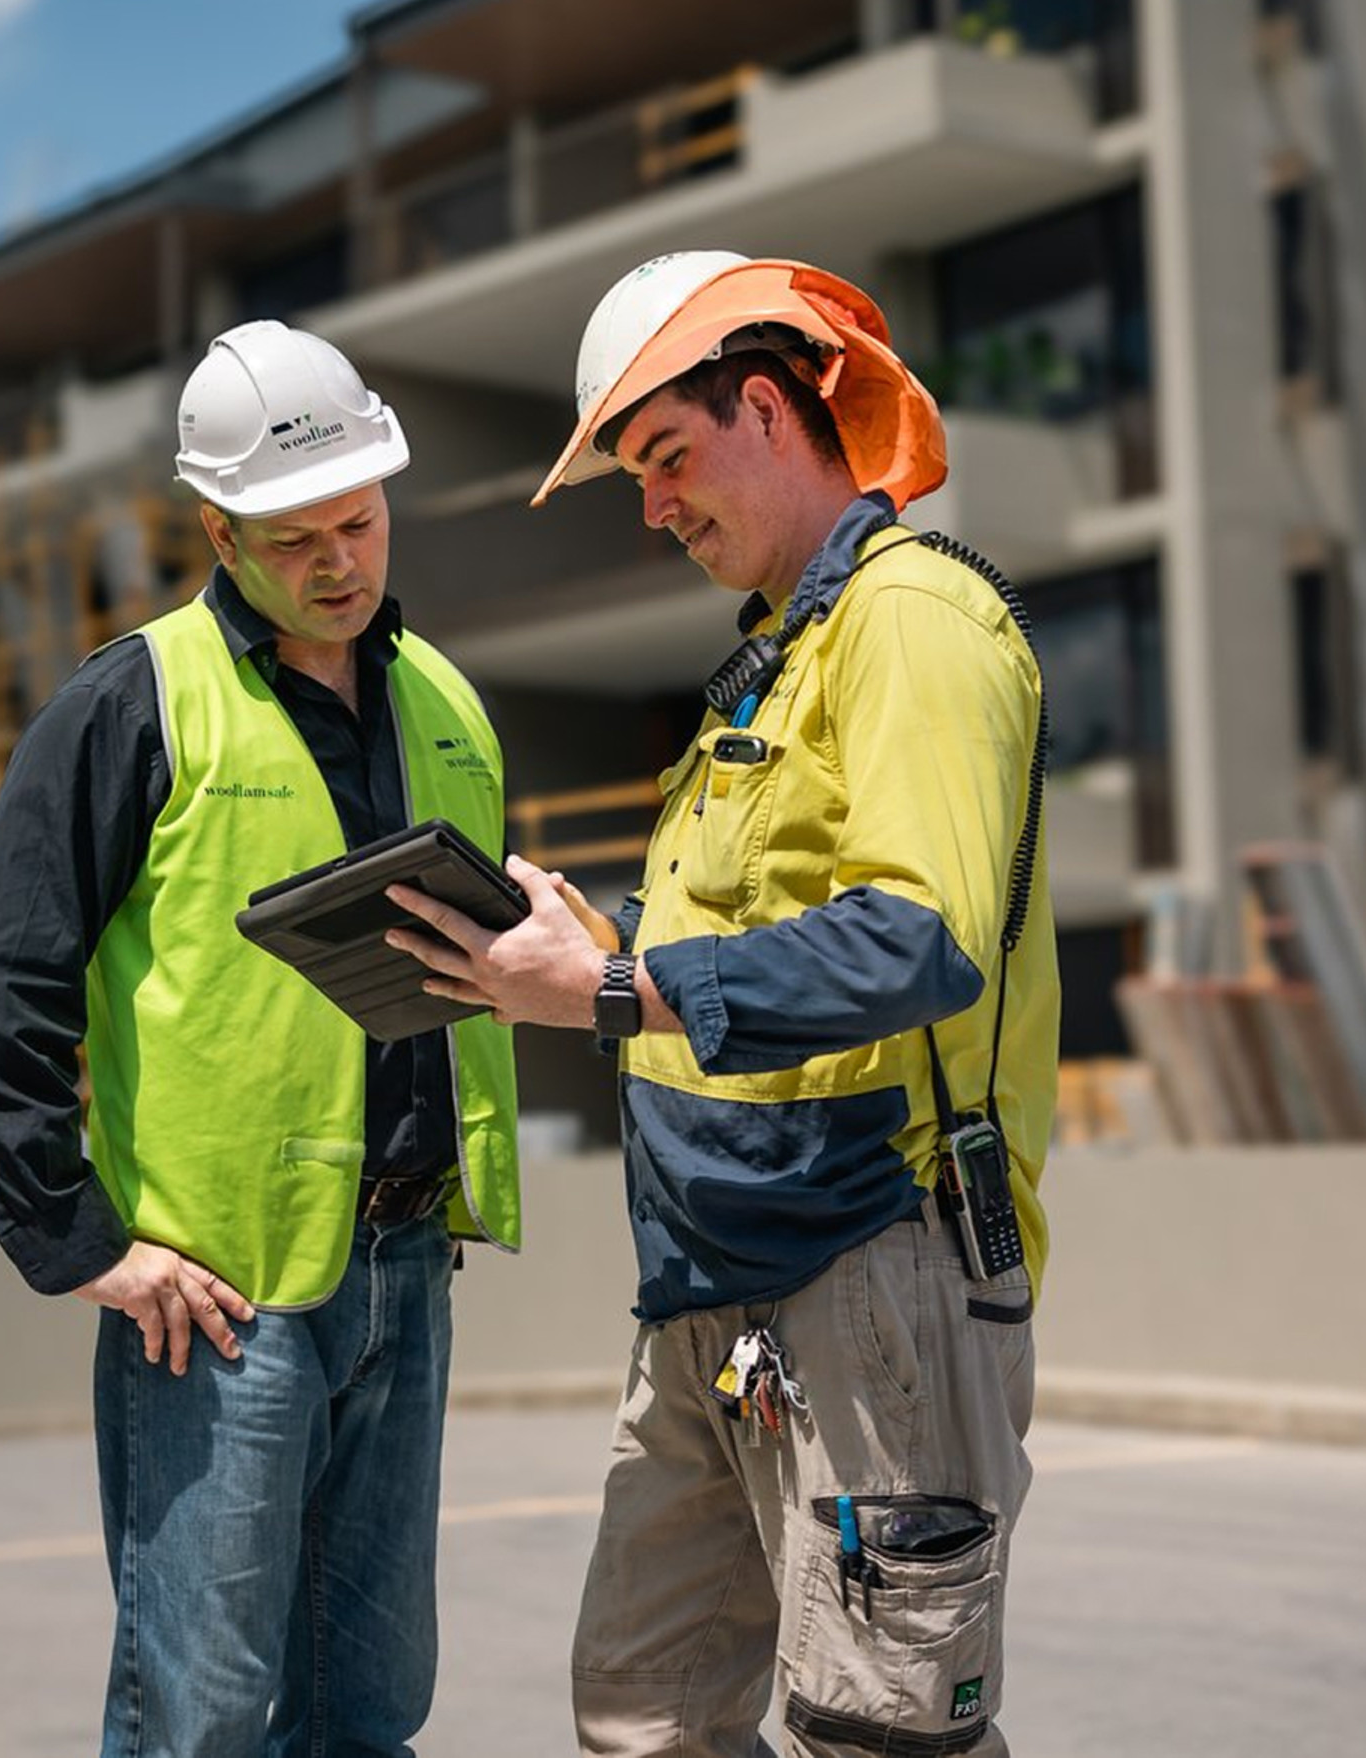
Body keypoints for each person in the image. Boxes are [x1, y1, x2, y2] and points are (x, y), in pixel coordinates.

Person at [387, 252, 1057, 1758]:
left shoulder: (911, 622)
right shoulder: (766, 669)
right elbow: (751, 933)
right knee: (644, 1718)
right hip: (713, 1289)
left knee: (871, 1731)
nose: (654, 505)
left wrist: (618, 985)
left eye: (666, 456)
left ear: (766, 405)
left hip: (868, 1266)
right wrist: (593, 937)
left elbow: (916, 941)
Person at [0, 319, 519, 1758]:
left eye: (360, 520)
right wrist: (77, 1241)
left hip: (401, 1264)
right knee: (205, 1720)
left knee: (369, 1714)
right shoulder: (132, 701)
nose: (339, 560)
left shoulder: (444, 700)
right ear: (218, 528)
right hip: (214, 1296)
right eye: (296, 533)